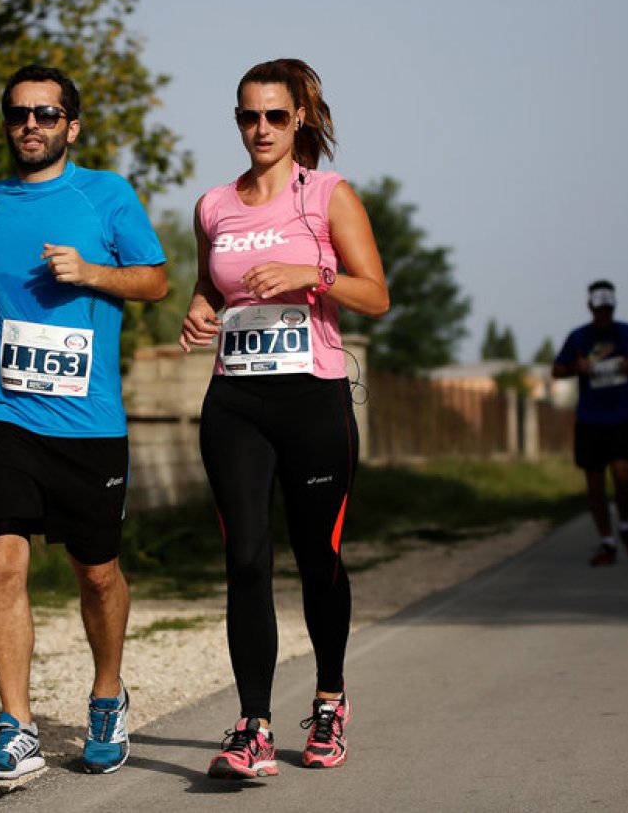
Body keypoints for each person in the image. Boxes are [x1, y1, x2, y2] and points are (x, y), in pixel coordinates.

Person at [0, 65, 168, 781]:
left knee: (97, 574)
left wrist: (92, 272)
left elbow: (156, 279)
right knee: (2, 561)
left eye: (45, 113)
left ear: (71, 125)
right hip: (5, 412)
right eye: (18, 114)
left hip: (88, 423)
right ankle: (17, 726)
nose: (30, 125)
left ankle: (107, 695)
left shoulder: (106, 194)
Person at [179, 59, 389, 779]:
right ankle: (254, 726)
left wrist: (312, 275)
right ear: (237, 120)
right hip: (235, 401)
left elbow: (376, 295)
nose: (261, 128)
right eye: (248, 116)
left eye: (274, 115)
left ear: (298, 117)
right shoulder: (214, 206)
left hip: (312, 399)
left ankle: (329, 698)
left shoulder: (328, 196)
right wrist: (200, 308)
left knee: (317, 557)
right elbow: (209, 285)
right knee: (245, 559)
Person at [551, 281, 628, 566]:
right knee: (595, 485)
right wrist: (577, 367)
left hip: (622, 415)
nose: (603, 314)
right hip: (590, 419)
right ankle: (607, 541)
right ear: (590, 307)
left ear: (614, 306)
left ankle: (625, 525)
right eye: (599, 309)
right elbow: (557, 370)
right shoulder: (579, 337)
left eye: (607, 308)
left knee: (622, 474)